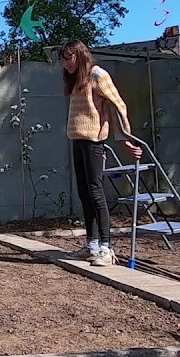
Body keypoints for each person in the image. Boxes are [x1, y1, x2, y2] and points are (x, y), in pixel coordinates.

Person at [59, 40, 142, 267]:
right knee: (84, 193)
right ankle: (92, 245)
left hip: (94, 142)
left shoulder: (97, 74)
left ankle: (107, 248)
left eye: (68, 58)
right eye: (63, 60)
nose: (65, 64)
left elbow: (118, 104)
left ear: (80, 55)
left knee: (96, 193)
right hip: (77, 141)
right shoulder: (77, 79)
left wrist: (124, 138)